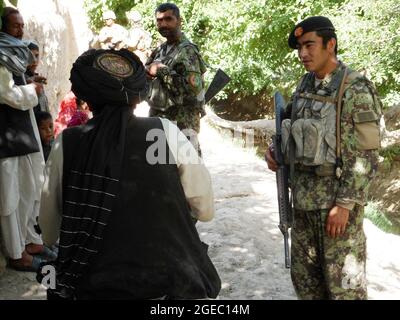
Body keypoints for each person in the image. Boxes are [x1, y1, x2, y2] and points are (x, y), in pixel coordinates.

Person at [38, 48, 221, 300]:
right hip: (168, 285)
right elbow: (206, 210)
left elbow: (49, 233)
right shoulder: (164, 132)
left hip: (94, 288)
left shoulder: (67, 143)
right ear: (137, 95)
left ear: (87, 97)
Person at [265, 16, 382, 300]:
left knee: (344, 289)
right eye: (299, 48)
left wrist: (344, 204)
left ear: (331, 45)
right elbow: (290, 126)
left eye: (309, 45)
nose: (303, 54)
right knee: (307, 286)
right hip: (302, 205)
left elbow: (366, 155)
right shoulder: (305, 84)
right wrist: (275, 150)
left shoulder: (354, 89)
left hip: (335, 209)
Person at [0, 7, 56, 271]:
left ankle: (30, 242)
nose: (20, 30)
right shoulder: (2, 53)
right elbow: (7, 94)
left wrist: (31, 81)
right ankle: (15, 253)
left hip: (23, 132)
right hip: (7, 138)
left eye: (21, 25)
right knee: (10, 198)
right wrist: (31, 89)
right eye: (14, 26)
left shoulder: (14, 52)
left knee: (30, 190)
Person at [145, 3, 207, 156]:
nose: (163, 24)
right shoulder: (160, 50)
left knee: (189, 176)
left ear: (179, 21)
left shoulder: (187, 51)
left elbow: (193, 92)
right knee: (160, 174)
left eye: (168, 19)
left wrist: (161, 70)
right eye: (159, 20)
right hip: (160, 122)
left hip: (182, 125)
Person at [25, 40, 49, 114]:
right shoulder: (20, 78)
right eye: (30, 56)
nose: (34, 61)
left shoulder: (37, 78)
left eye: (36, 56)